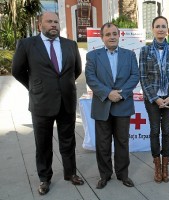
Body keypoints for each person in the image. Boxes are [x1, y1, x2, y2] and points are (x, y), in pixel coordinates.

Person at [11, 12, 84, 195]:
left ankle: (70, 173)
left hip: (66, 101)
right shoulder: (27, 44)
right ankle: (44, 178)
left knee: (68, 141)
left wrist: (62, 87)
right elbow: (17, 70)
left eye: (56, 22)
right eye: (49, 21)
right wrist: (35, 87)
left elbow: (76, 70)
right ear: (40, 25)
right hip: (41, 102)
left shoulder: (70, 44)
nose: (54, 25)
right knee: (43, 144)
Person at [85, 22, 139, 189]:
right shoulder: (93, 56)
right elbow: (90, 77)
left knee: (122, 142)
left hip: (123, 105)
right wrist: (108, 93)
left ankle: (123, 174)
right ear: (102, 38)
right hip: (103, 105)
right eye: (108, 34)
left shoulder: (129, 55)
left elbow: (135, 76)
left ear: (119, 35)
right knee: (103, 143)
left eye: (114, 33)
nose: (112, 36)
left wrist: (121, 94)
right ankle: (105, 175)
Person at [139, 16, 169, 183]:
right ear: (152, 29)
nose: (161, 29)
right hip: (153, 99)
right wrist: (156, 98)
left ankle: (165, 165)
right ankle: (157, 166)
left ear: (167, 30)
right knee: (155, 131)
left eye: (164, 26)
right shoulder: (145, 51)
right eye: (158, 26)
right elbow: (143, 77)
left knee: (167, 131)